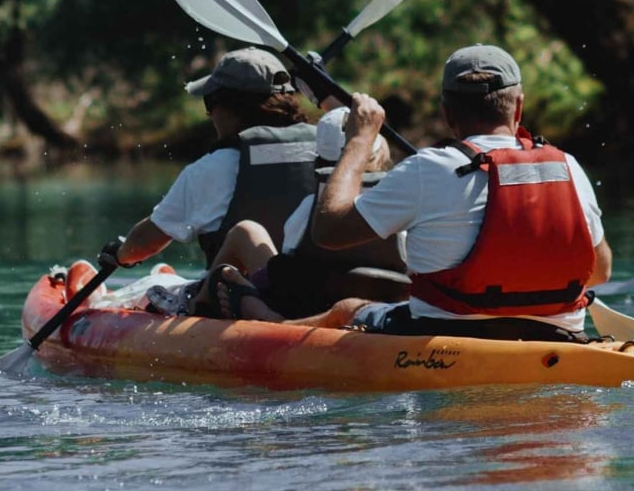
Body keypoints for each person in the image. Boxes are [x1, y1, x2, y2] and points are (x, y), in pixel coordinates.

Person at [223, 44, 611, 340]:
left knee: (349, 309)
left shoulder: (428, 169)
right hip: (557, 333)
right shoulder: (567, 167)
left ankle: (269, 327)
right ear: (518, 108)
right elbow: (600, 270)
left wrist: (359, 140)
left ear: (447, 113)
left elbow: (328, 232)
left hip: (443, 337)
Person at [103, 48, 317, 271]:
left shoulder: (212, 168)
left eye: (209, 105)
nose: (210, 116)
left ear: (225, 108)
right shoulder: (334, 151)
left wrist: (119, 254)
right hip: (324, 294)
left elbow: (145, 243)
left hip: (240, 298)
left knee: (155, 284)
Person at [196, 104, 407, 319]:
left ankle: (198, 307)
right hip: (380, 305)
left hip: (300, 305)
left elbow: (290, 259)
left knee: (246, 231)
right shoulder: (401, 207)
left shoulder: (314, 206)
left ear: (320, 157)